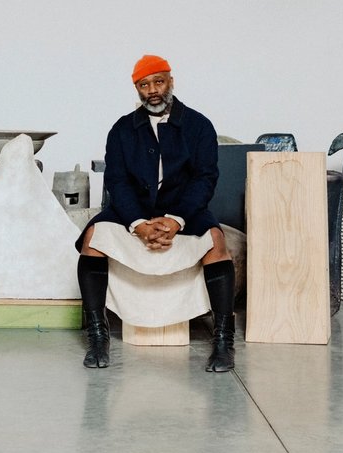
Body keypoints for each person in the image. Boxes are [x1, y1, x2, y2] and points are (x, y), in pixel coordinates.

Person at [75, 54, 236, 372]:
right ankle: (98, 336)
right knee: (92, 237)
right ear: (137, 89)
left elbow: (205, 178)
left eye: (158, 81)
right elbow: (117, 181)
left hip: (185, 210)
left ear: (171, 82)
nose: (152, 90)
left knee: (216, 242)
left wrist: (176, 220)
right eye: (144, 84)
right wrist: (137, 224)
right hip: (132, 210)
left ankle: (223, 342)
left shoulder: (199, 126)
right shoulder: (122, 129)